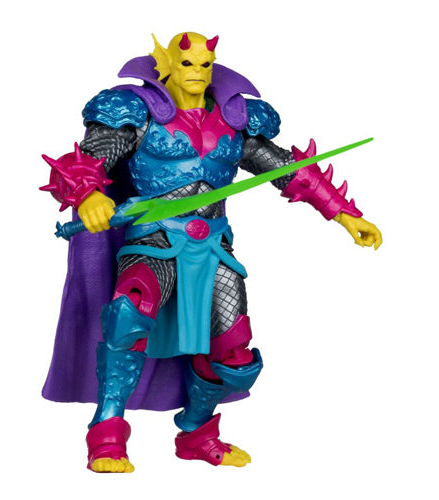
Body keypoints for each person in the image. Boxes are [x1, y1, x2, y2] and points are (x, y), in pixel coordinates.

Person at [41, 32, 382, 473]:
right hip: (152, 239)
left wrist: (344, 214)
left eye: (205, 63)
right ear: (167, 65)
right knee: (127, 318)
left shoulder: (234, 120)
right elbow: (86, 161)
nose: (198, 72)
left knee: (233, 349)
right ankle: (107, 434)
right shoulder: (137, 113)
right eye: (188, 64)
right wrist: (89, 196)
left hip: (214, 244)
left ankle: (197, 435)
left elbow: (285, 169)